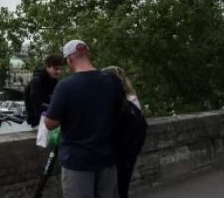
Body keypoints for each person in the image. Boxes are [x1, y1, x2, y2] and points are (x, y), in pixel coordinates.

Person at [44, 40, 124, 198]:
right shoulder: (111, 81)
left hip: (78, 161)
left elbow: (50, 123)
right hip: (107, 157)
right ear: (87, 54)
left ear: (69, 59)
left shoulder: (65, 86)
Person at [103, 66, 147, 198]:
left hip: (118, 151)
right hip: (130, 150)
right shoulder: (132, 100)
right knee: (122, 187)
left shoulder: (118, 103)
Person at [24, 53, 64, 128]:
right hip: (38, 123)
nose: (59, 72)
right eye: (56, 68)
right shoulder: (36, 81)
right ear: (47, 67)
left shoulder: (55, 82)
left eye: (60, 69)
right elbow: (37, 106)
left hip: (49, 121)